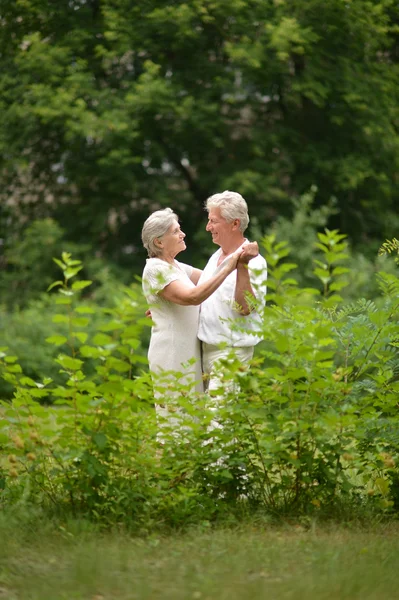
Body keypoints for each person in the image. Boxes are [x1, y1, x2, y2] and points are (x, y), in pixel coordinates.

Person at [141, 208, 255, 401]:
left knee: (193, 418)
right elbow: (193, 296)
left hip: (189, 351)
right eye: (176, 231)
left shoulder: (176, 267)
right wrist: (232, 261)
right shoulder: (155, 269)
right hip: (172, 354)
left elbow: (214, 284)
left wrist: (244, 266)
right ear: (159, 242)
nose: (182, 234)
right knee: (176, 420)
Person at [197, 190, 267, 393]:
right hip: (205, 350)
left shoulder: (255, 262)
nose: (208, 227)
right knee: (201, 421)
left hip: (231, 353)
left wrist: (242, 264)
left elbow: (245, 308)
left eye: (213, 221)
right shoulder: (216, 256)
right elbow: (204, 293)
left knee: (217, 424)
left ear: (234, 224)